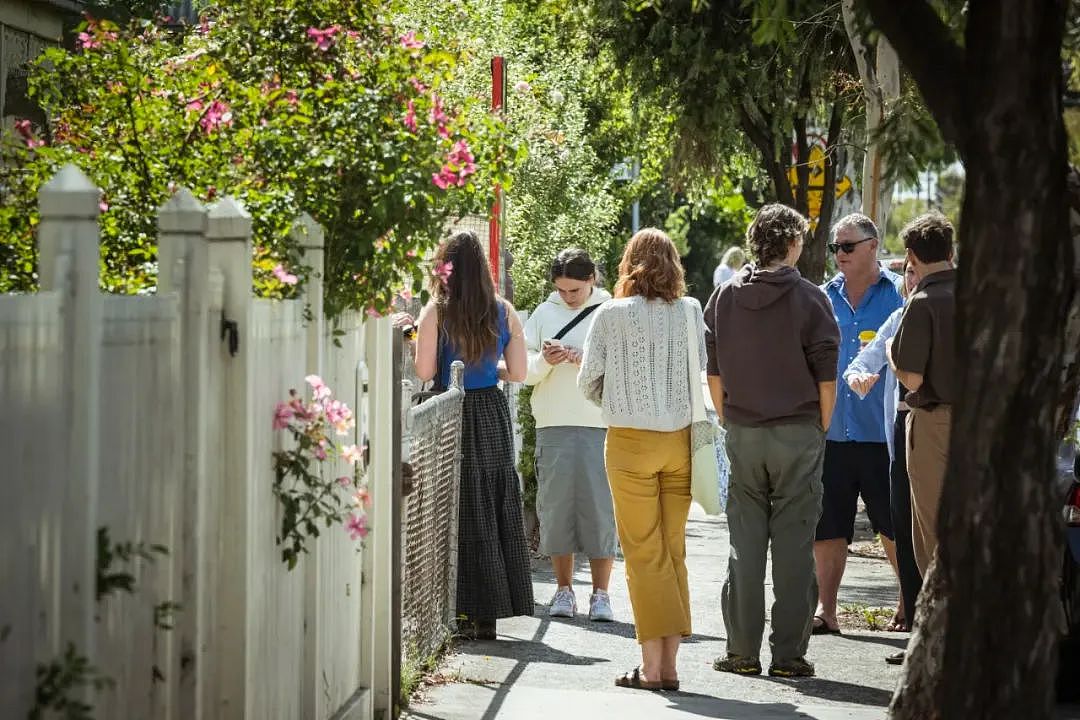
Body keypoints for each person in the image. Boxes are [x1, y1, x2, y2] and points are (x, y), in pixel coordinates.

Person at [705, 204, 839, 678]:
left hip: (743, 430)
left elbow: (714, 373)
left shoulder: (723, 297)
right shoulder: (810, 297)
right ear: (794, 244)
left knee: (744, 542)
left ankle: (741, 652)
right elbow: (827, 373)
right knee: (793, 544)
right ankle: (788, 656)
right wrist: (821, 426)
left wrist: (730, 419)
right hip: (798, 430)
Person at [577, 228, 705, 691]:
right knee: (673, 550)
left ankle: (653, 669)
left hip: (630, 442)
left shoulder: (610, 314)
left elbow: (588, 381)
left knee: (643, 553)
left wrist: (624, 400)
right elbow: (701, 375)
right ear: (674, 265)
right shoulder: (691, 312)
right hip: (680, 441)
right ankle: (669, 667)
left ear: (628, 264)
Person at [403, 230, 534, 640]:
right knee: (489, 503)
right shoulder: (503, 310)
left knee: (449, 504)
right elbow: (518, 373)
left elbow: (424, 372)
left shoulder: (436, 312)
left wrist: (411, 341)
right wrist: (486, 367)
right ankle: (489, 613)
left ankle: (456, 608)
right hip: (490, 411)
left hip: (450, 412)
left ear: (445, 268)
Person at [813, 213, 904, 635]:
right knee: (829, 526)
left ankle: (908, 604)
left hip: (881, 435)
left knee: (892, 525)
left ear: (872, 245)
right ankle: (826, 611)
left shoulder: (900, 295)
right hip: (831, 433)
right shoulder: (821, 297)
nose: (840, 255)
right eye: (835, 247)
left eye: (847, 246)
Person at [523, 248, 616, 622]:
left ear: (592, 279)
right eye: (561, 290)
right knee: (556, 509)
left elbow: (621, 365)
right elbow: (524, 372)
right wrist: (546, 359)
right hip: (554, 421)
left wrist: (584, 359)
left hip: (600, 422)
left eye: (574, 290)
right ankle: (563, 590)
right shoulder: (544, 313)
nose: (567, 297)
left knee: (600, 511)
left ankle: (601, 594)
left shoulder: (611, 310)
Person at [844, 261, 923, 664]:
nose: (912, 280)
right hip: (899, 439)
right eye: (908, 273)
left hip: (935, 435)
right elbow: (864, 360)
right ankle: (913, 626)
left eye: (917, 272)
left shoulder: (952, 311)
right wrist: (858, 376)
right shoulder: (898, 317)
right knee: (904, 533)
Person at [887, 212, 956, 576]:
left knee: (932, 533)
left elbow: (912, 379)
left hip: (934, 424)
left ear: (911, 255)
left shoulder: (923, 300)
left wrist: (888, 354)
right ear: (951, 249)